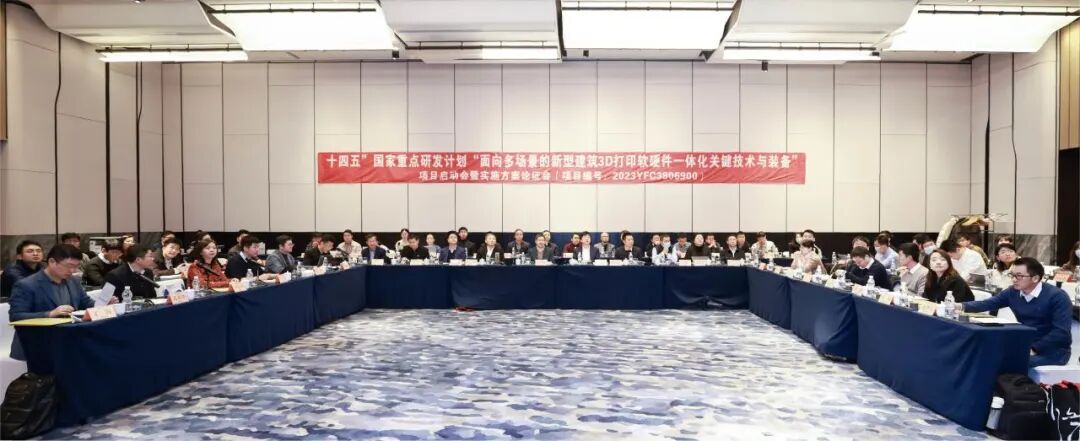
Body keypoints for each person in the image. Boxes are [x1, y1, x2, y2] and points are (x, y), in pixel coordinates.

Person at [958, 258, 1071, 367]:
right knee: (981, 354)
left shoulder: (1057, 296)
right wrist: (959, 306)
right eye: (1012, 275)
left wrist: (1034, 349)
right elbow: (987, 304)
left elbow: (1061, 332)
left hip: (1053, 351)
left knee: (1002, 363)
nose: (1014, 279)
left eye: (1019, 276)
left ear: (1035, 278)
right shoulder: (1013, 292)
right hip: (1025, 344)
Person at [8, 245, 113, 360]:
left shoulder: (73, 281)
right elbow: (16, 316)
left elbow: (85, 302)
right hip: (37, 344)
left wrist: (103, 304)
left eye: (76, 266)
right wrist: (50, 314)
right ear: (52, 262)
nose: (72, 271)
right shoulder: (26, 285)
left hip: (68, 340)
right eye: (69, 266)